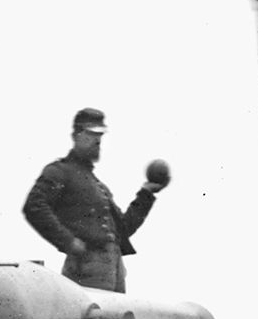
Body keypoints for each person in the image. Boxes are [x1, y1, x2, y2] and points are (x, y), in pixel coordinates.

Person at [22, 107, 163, 292]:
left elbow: (123, 229)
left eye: (100, 135)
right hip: (86, 267)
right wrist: (68, 241)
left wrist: (145, 194)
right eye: (91, 134)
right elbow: (34, 206)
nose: (98, 140)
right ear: (76, 135)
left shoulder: (98, 186)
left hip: (113, 267)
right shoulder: (60, 172)